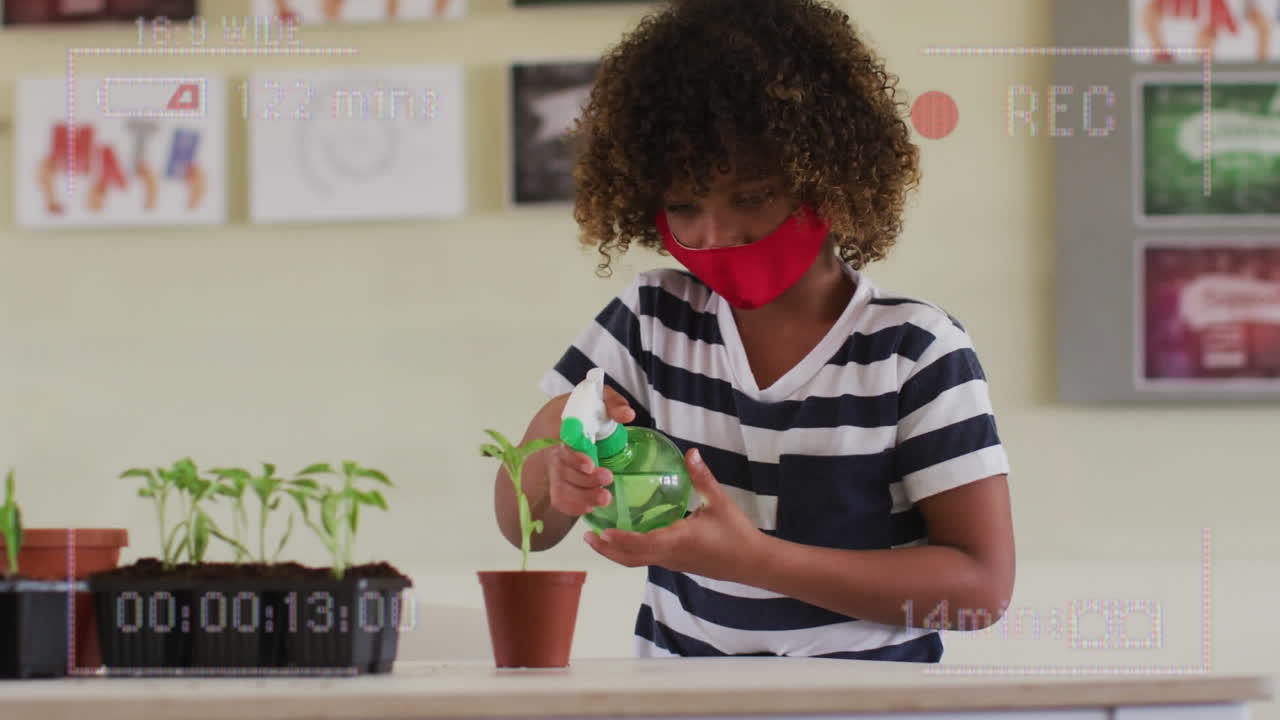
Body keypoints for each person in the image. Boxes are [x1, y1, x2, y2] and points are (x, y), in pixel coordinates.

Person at [493, 0, 1015, 662]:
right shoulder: (651, 321)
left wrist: (755, 561)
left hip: (869, 710)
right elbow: (527, 529)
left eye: (752, 196)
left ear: (829, 180)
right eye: (684, 206)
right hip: (679, 704)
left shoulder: (914, 350)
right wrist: (557, 464)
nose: (717, 236)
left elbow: (981, 590)